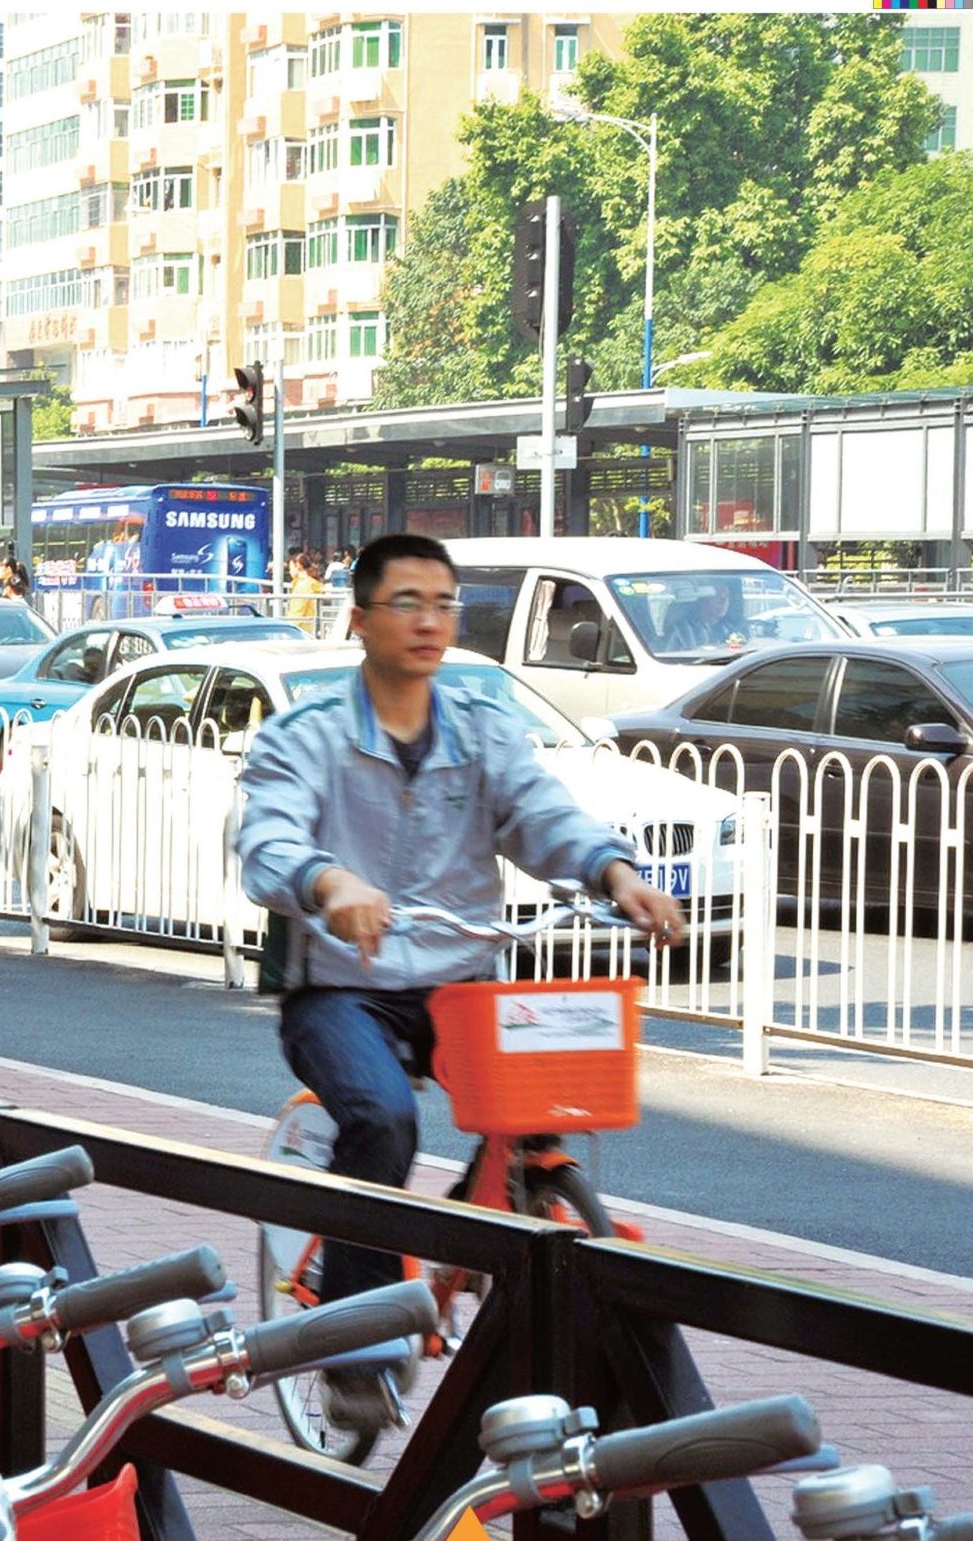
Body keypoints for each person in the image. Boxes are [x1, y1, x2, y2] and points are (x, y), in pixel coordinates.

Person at [235, 533, 683, 1434]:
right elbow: (267, 842)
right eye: (406, 601)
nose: (430, 620)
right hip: (340, 985)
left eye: (443, 602)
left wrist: (614, 872)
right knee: (380, 1118)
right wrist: (329, 883)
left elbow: (539, 813)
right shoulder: (304, 736)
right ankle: (357, 1348)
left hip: (458, 984)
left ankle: (462, 1246)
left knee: (537, 1107)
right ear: (358, 618)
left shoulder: (481, 729)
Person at [663, 581, 735, 651]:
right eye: (717, 595)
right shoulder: (682, 632)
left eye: (726, 596)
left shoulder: (728, 629)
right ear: (703, 598)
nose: (723, 601)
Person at [286, 550, 322, 630]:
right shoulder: (306, 583)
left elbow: (298, 611)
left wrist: (289, 627)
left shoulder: (303, 585)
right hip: (306, 628)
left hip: (301, 630)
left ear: (298, 566)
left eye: (291, 568)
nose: (289, 572)